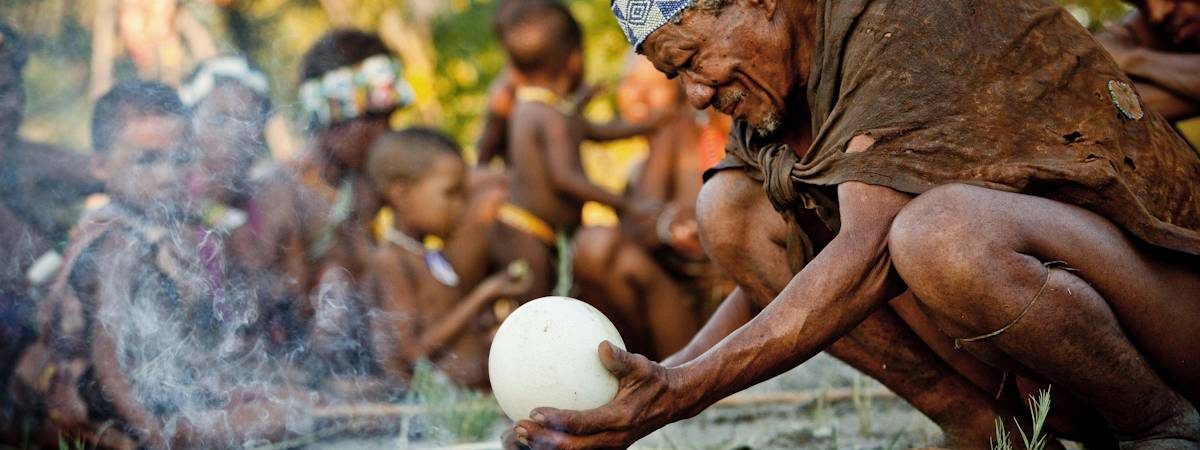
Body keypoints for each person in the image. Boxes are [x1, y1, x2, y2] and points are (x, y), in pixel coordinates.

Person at [509, 0, 1200, 449]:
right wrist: (637, 397)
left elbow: (865, 254)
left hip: (1176, 313)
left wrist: (680, 394)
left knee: (939, 235)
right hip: (1065, 349)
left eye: (692, 60)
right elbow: (783, 275)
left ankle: (1161, 426)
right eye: (675, 75)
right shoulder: (785, 87)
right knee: (730, 210)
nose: (693, 94)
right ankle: (987, 427)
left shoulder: (894, 18)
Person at [13, 81, 311, 448]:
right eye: (148, 160)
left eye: (180, 158)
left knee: (290, 403)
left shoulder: (163, 230)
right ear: (101, 166)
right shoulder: (116, 241)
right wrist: (153, 433)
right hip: (107, 408)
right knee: (284, 417)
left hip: (160, 392)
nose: (168, 176)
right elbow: (109, 367)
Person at [492, 0, 662, 301]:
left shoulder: (537, 107)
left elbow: (598, 132)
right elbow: (566, 178)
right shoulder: (550, 115)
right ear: (573, 60)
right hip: (529, 234)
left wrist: (652, 124)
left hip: (531, 230)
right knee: (539, 310)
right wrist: (624, 203)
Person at [365, 128, 530, 390]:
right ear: (402, 194)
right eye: (451, 194)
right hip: (442, 408)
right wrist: (483, 295)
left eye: (464, 195)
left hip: (476, 393)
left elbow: (447, 321)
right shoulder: (392, 259)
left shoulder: (431, 258)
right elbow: (412, 352)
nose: (461, 207)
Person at [0, 23, 103, 436]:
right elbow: (31, 259)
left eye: (10, 90)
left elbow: (111, 169)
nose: (8, 106)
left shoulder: (24, 158)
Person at [182, 55, 314, 356]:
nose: (235, 133)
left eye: (249, 120)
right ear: (190, 124)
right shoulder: (171, 199)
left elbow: (299, 298)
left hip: (268, 360)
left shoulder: (276, 197)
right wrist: (227, 223)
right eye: (219, 119)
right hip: (198, 359)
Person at [1096, 0, 1200, 121]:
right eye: (1143, 6)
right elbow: (1108, 103)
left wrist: (1131, 58)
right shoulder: (1146, 28)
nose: (1157, 15)